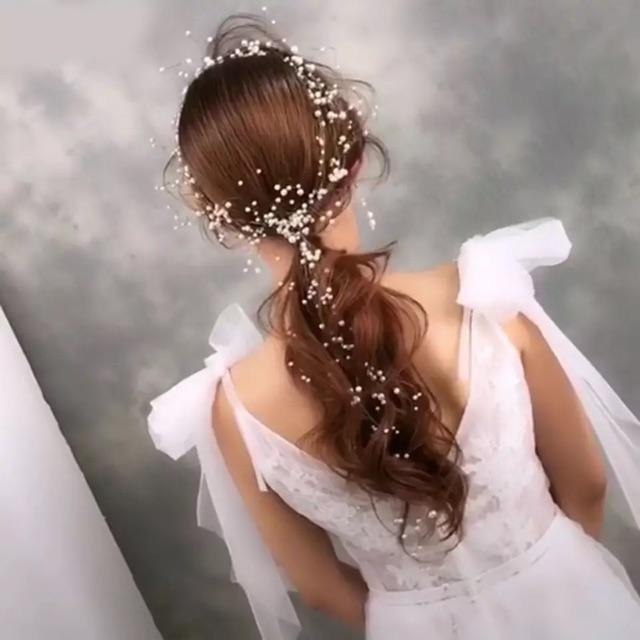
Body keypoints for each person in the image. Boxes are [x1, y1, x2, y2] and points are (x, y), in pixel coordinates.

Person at [147, 14, 640, 639]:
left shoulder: (234, 409)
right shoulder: (479, 298)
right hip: (569, 602)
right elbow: (587, 485)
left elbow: (323, 591)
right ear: (354, 162)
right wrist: (549, 582)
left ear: (221, 217)